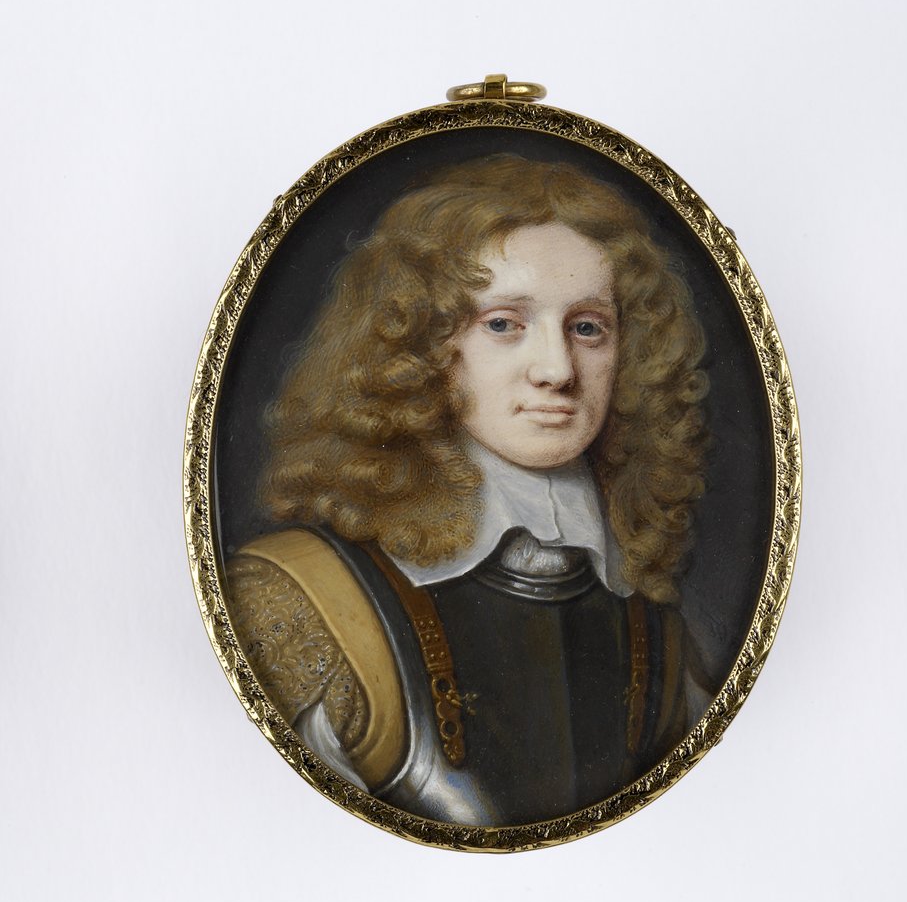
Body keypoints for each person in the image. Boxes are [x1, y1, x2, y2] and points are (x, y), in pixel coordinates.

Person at [225, 154, 712, 826]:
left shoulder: (651, 618)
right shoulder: (299, 598)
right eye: (504, 324)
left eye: (587, 328)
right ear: (420, 345)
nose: (557, 370)